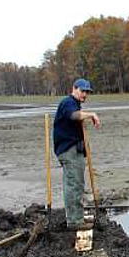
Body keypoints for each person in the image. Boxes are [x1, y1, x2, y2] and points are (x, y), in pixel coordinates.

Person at [53, 78, 101, 230]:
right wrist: (91, 114)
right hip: (69, 150)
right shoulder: (68, 102)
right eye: (82, 90)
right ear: (74, 88)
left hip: (74, 150)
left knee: (76, 184)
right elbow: (73, 115)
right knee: (74, 185)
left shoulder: (75, 104)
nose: (85, 94)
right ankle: (75, 222)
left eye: (87, 92)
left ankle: (77, 217)